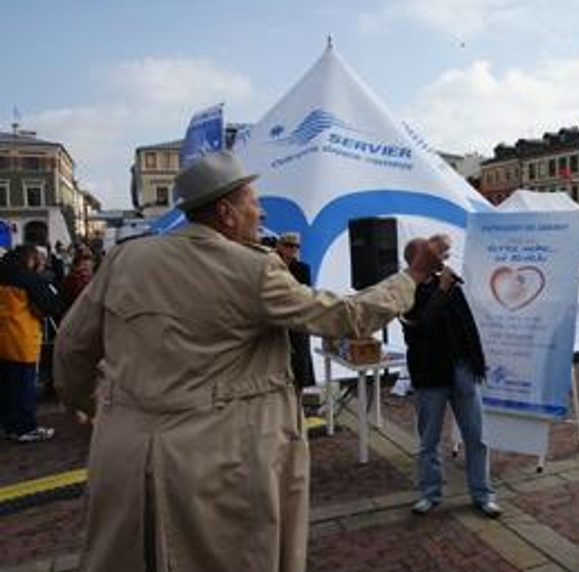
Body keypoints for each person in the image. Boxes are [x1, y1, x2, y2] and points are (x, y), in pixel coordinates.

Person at [53, 151, 443, 572]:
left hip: (123, 460)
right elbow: (344, 317)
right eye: (254, 203)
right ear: (226, 213)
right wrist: (413, 277)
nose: (260, 213)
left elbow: (71, 351)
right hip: (217, 466)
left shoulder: (125, 260)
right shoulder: (251, 270)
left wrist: (111, 413)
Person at [400, 234, 501, 518]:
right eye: (430, 254)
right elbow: (420, 329)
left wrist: (475, 361)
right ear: (415, 259)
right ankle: (429, 493)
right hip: (430, 374)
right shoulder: (405, 289)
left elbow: (467, 325)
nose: (440, 259)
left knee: (477, 436)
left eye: (439, 254)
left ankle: (483, 494)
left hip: (461, 369)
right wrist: (442, 290)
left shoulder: (450, 285)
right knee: (428, 440)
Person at [0, 244, 61, 442]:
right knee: (24, 387)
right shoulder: (28, 278)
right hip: (22, 338)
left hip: (3, 338)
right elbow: (51, 304)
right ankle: (25, 427)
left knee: (7, 387)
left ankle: (8, 425)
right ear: (30, 259)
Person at [274, 231, 315, 392]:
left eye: (296, 246)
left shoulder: (302, 268)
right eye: (289, 245)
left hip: (298, 318)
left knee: (300, 358)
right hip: (277, 319)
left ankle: (300, 394)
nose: (293, 249)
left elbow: (306, 294)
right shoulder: (271, 266)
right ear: (279, 246)